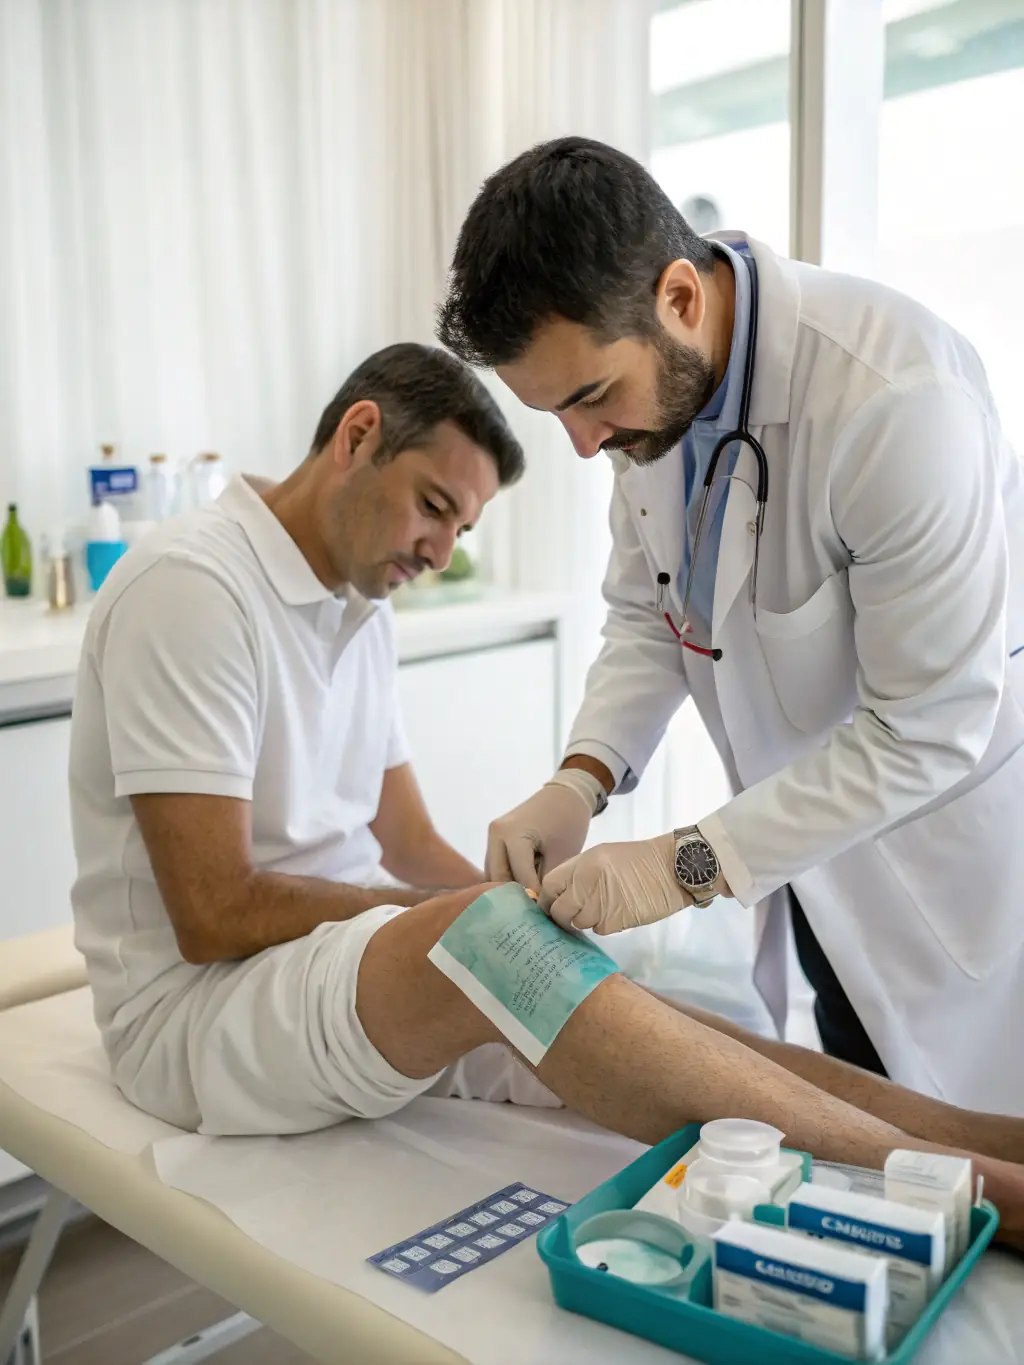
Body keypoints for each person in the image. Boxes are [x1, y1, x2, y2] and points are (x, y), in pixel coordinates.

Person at [67, 343, 1024, 1245]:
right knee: (498, 943)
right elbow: (212, 911)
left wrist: (526, 909)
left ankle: (980, 1138)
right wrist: (468, 921)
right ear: (357, 436)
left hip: (334, 967)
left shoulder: (355, 607)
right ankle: (991, 1195)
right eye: (433, 506)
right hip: (197, 1009)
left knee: (600, 982)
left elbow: (402, 836)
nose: (440, 550)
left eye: (460, 527)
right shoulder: (194, 587)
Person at [438, 136, 1024, 1113]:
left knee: (978, 1163)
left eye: (588, 399)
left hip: (944, 872)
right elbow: (650, 617)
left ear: (677, 296)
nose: (585, 447)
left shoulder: (895, 402)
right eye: (555, 416)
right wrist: (578, 780)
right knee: (866, 1120)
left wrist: (683, 865)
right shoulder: (658, 399)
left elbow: (926, 732)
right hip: (809, 862)